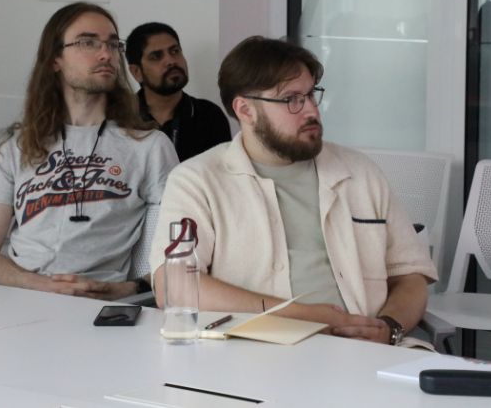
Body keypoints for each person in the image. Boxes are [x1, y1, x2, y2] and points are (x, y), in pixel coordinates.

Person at [149, 36, 436, 345]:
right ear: (245, 110)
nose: (311, 111)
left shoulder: (360, 172)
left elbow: (410, 276)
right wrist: (299, 315)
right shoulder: (197, 180)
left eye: (311, 94)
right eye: (291, 99)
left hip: (371, 351)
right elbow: (172, 285)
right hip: (253, 353)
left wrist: (389, 327)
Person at [0, 2, 178, 299]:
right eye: (88, 42)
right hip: (19, 297)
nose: (106, 54)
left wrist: (127, 289)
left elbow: (179, 253)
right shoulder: (17, 145)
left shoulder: (149, 146)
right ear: (55, 59)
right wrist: (38, 285)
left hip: (96, 304)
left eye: (113, 44)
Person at [125, 22, 231, 162]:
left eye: (175, 51)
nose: (171, 61)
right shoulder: (121, 117)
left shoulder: (209, 115)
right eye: (156, 56)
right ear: (136, 72)